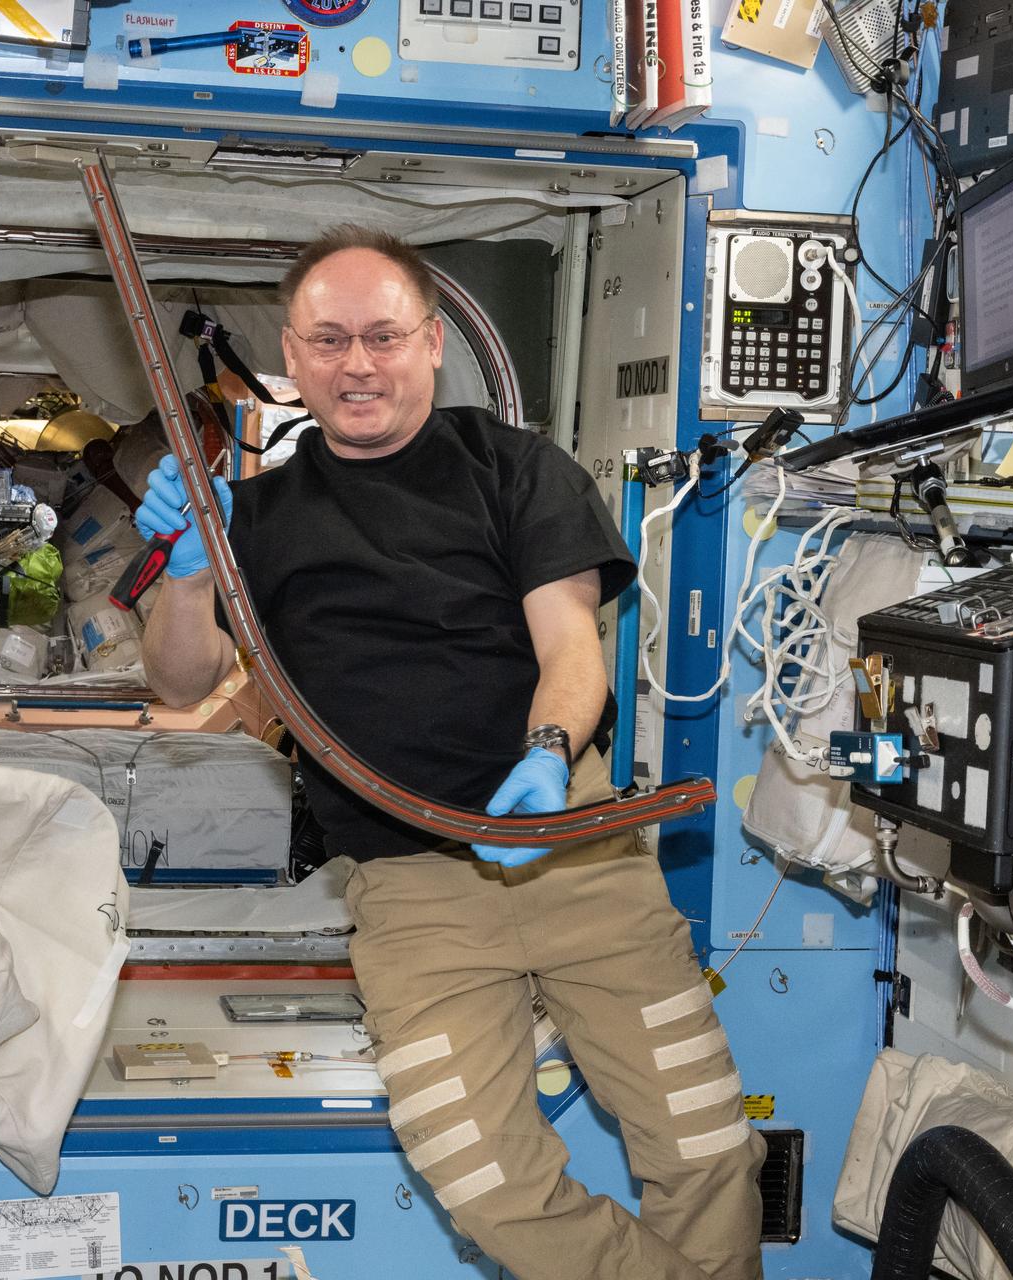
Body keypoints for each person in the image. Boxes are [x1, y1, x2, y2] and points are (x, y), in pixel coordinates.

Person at [137, 225, 765, 1280]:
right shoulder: (252, 515)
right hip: (411, 893)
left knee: (705, 1145)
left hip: (571, 849)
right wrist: (191, 575)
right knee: (487, 1181)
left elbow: (572, 646)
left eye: (383, 335)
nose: (358, 363)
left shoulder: (515, 469)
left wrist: (549, 752)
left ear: (432, 343)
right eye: (328, 339)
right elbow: (179, 683)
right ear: (291, 355)